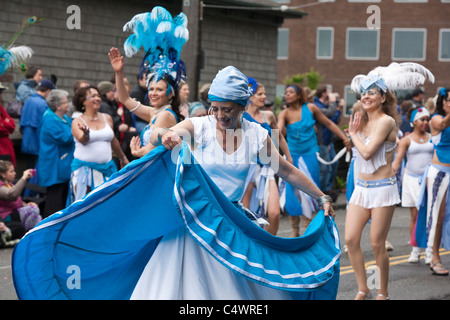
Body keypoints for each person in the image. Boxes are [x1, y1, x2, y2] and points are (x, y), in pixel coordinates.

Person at [12, 8, 340, 300]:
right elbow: (171, 130)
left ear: (242, 107)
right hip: (191, 224)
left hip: (231, 228)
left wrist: (321, 195)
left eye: (228, 109)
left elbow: (288, 171)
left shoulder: (256, 136)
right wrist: (166, 134)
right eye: (215, 107)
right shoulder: (201, 126)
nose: (221, 115)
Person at [347, 62, 434, 299]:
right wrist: (353, 136)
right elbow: (358, 156)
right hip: (361, 189)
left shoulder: (386, 121)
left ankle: (382, 293)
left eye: (372, 92)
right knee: (351, 239)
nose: (366, 96)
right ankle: (363, 288)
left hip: (382, 189)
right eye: (364, 92)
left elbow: (367, 152)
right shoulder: (361, 120)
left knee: (376, 243)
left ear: (383, 97)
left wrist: (353, 135)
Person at [277, 84, 350, 237]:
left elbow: (329, 123)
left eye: (291, 92)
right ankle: (294, 231)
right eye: (286, 93)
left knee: (310, 190)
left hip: (309, 154)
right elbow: (277, 132)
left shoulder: (310, 108)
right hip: (292, 156)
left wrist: (344, 139)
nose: (287, 95)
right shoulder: (284, 113)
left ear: (299, 94)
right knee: (292, 193)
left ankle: (307, 228)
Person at [109, 48, 184, 158]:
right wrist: (118, 72)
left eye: (159, 90)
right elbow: (124, 99)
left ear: (170, 94)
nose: (153, 93)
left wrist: (136, 152)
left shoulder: (165, 115)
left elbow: (150, 150)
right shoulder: (154, 112)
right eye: (151, 89)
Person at [241, 77, 292, 235]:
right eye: (260, 94)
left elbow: (278, 137)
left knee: (274, 213)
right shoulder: (241, 116)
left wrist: (288, 157)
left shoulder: (268, 115)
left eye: (264, 94)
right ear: (250, 96)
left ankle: (271, 246)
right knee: (245, 214)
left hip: (267, 167)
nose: (264, 97)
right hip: (248, 167)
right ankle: (250, 248)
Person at [67, 85, 129, 205]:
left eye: (98, 96)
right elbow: (83, 140)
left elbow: (113, 140)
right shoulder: (77, 121)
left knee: (108, 205)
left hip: (107, 169)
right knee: (85, 207)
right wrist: (86, 134)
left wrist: (123, 158)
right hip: (84, 172)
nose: (97, 98)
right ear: (83, 101)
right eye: (93, 96)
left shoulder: (107, 118)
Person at [413, 87, 450, 276]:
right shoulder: (436, 118)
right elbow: (443, 124)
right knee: (437, 215)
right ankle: (434, 256)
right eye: (449, 100)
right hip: (440, 172)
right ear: (443, 102)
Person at [392, 106, 433, 263]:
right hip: (411, 180)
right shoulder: (406, 140)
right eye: (422, 119)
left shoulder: (432, 137)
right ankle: (415, 249)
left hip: (428, 181)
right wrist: (390, 173)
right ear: (413, 122)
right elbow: (397, 161)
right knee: (414, 216)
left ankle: (429, 249)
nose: (425, 122)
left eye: (427, 120)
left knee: (429, 215)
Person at [36, 89, 74, 218]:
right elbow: (66, 137)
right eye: (65, 102)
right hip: (54, 167)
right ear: (57, 106)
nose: (68, 104)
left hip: (62, 166)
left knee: (63, 200)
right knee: (55, 203)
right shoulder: (49, 120)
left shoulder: (64, 118)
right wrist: (78, 130)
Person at [0, 160, 41, 246]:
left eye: (14, 170)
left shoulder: (9, 183)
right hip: (7, 217)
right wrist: (23, 178)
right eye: (11, 171)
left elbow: (18, 201)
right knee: (33, 210)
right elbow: (12, 195)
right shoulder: (1, 186)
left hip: (15, 213)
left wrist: (26, 205)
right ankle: (26, 236)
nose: (15, 173)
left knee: (38, 216)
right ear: (3, 174)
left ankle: (38, 239)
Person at [19, 78, 55, 169]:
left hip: (26, 143)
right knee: (37, 175)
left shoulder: (28, 101)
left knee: (28, 171)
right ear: (48, 91)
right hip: (38, 144)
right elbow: (47, 125)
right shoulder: (43, 104)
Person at [314, 86, 342, 194]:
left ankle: (326, 191)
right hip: (319, 142)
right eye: (328, 92)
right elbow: (330, 115)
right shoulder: (316, 106)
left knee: (330, 167)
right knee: (323, 169)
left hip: (327, 141)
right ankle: (319, 193)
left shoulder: (322, 106)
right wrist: (333, 102)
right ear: (323, 93)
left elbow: (331, 122)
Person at [0, 83, 16, 166]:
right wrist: (6, 123)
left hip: (6, 149)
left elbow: (12, 125)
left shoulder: (1, 109)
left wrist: (4, 124)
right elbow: (1, 130)